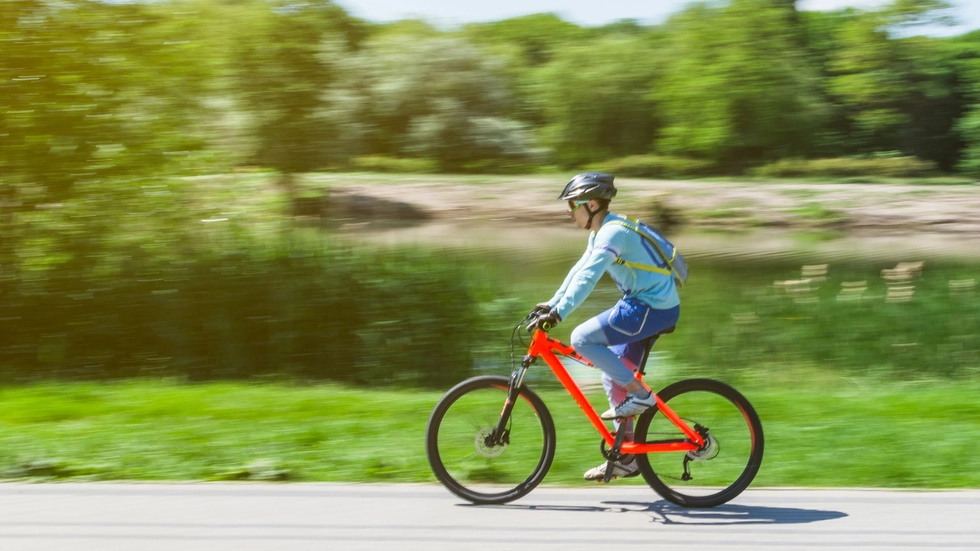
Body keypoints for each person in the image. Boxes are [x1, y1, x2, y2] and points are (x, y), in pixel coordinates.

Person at [528, 173, 681, 481]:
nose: (569, 211)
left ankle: (640, 395)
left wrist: (560, 315)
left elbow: (589, 279)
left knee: (581, 338)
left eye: (573, 204)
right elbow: (578, 271)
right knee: (613, 378)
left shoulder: (612, 234)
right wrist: (551, 304)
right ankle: (627, 456)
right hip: (645, 305)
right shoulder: (601, 232)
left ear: (593, 204)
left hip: (651, 308)